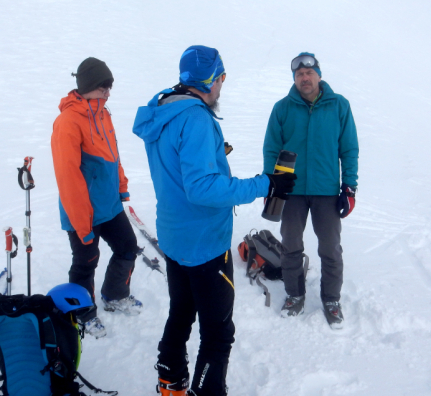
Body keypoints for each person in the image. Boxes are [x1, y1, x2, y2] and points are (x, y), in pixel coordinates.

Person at [133, 45, 296, 396]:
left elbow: (180, 172)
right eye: (221, 78)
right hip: (205, 244)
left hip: (175, 239)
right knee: (218, 332)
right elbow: (202, 188)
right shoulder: (195, 119)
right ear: (211, 79)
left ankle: (169, 382)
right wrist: (264, 183)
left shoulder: (164, 111)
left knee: (181, 313)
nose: (222, 85)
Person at [263, 52, 359, 329]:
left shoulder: (339, 106)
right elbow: (271, 148)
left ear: (318, 74)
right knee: (291, 246)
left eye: (309, 73)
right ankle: (295, 295)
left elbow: (349, 149)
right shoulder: (282, 108)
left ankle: (331, 300)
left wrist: (349, 187)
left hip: (327, 190)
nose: (304, 78)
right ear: (294, 79)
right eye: (299, 75)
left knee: (330, 248)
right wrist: (274, 183)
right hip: (290, 191)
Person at [51, 57, 143, 339]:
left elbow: (113, 155)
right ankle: (83, 312)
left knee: (128, 247)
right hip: (82, 211)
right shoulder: (67, 122)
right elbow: (68, 177)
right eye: (103, 87)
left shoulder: (103, 113)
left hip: (109, 204)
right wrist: (82, 223)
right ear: (87, 87)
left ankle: (114, 295)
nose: (108, 92)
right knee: (86, 261)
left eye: (110, 86)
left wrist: (121, 185)